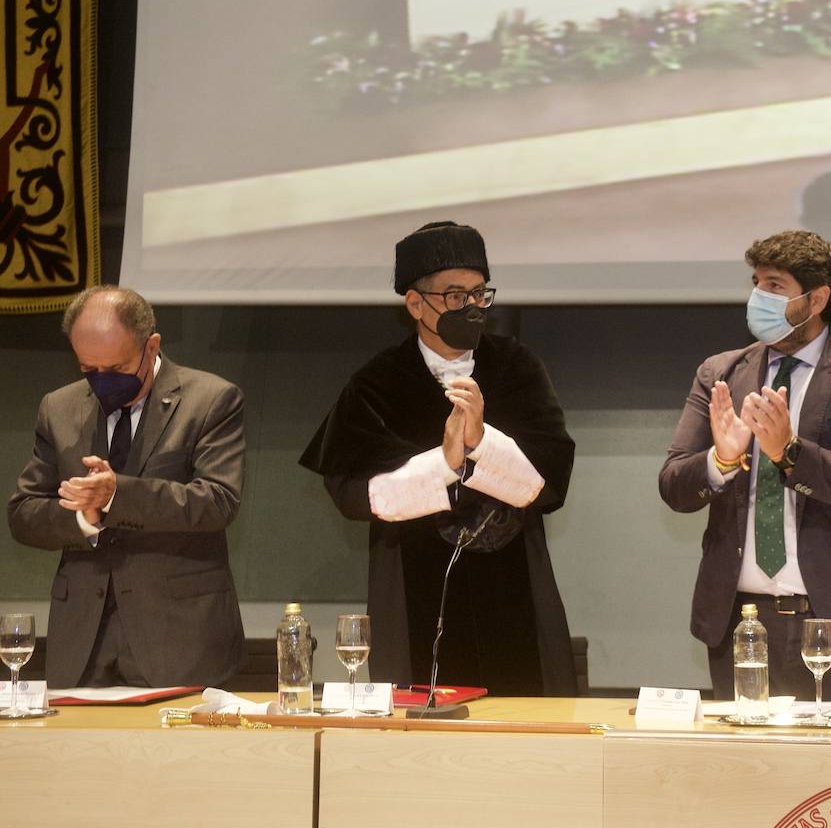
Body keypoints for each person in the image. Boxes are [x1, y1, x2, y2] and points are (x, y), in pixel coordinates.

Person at [300, 221, 577, 695]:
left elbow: (547, 483)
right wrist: (444, 463)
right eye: (454, 296)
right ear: (415, 303)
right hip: (411, 588)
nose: (471, 308)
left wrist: (482, 444)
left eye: (479, 295)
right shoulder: (378, 382)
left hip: (515, 591)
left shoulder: (517, 367)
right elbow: (351, 493)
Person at [659, 230, 831, 703]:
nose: (758, 297)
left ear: (817, 298)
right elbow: (675, 487)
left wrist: (789, 452)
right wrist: (720, 460)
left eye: (775, 286)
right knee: (751, 774)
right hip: (742, 625)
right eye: (756, 283)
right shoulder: (720, 373)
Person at [8, 286, 246, 688]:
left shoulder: (211, 400)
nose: (102, 382)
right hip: (82, 642)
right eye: (88, 369)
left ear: (151, 347)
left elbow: (218, 501)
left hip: (179, 639)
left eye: (115, 369)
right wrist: (86, 517)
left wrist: (118, 495)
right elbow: (23, 513)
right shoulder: (59, 407)